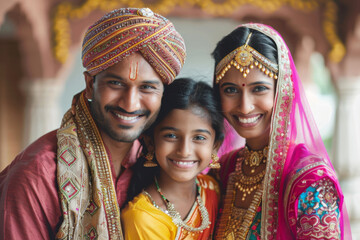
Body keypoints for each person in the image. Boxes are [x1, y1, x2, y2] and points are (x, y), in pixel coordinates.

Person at [0, 8, 186, 240]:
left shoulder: (158, 160)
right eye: (116, 84)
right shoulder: (37, 176)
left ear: (163, 95)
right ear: (90, 85)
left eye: (147, 87)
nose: (130, 104)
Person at [211, 23, 351, 239]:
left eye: (259, 89)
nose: (245, 106)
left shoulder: (310, 181)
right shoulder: (223, 169)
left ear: (284, 91)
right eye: (230, 90)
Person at [121, 78, 224, 239]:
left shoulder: (212, 189)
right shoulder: (144, 218)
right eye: (171, 136)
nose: (184, 151)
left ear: (215, 145)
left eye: (199, 137)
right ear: (150, 142)